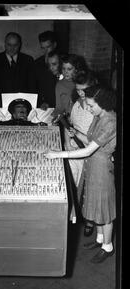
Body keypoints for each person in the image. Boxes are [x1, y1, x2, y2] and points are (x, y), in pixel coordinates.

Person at [45, 85, 116, 263]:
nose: (89, 109)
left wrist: (58, 154)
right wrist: (76, 133)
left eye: (92, 105)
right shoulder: (99, 116)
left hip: (101, 168)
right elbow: (90, 140)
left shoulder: (110, 121)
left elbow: (89, 150)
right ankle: (100, 240)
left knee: (104, 211)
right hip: (92, 165)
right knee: (95, 205)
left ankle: (108, 247)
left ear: (103, 103)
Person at [64, 70, 98, 236]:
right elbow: (68, 124)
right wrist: (66, 143)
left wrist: (77, 137)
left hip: (91, 153)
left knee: (90, 191)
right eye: (78, 90)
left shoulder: (97, 108)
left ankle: (90, 222)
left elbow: (97, 141)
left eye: (84, 90)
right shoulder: (76, 103)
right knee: (72, 186)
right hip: (74, 150)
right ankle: (72, 219)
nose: (81, 93)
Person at [0, 32, 35, 107]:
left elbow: (32, 85)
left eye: (15, 45)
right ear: (5, 44)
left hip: (23, 104)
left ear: (19, 45)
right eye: (9, 45)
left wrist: (31, 104)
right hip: (1, 105)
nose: (12, 48)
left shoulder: (28, 60)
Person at [52, 53, 88, 119]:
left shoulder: (82, 84)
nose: (65, 72)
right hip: (67, 118)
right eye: (63, 68)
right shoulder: (59, 85)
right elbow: (59, 107)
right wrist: (56, 115)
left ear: (76, 69)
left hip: (82, 118)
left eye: (69, 69)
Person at [34, 31, 59, 107]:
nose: (45, 51)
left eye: (48, 47)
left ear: (54, 45)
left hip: (59, 104)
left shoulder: (63, 61)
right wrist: (41, 102)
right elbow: (34, 86)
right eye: (43, 48)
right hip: (42, 106)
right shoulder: (37, 63)